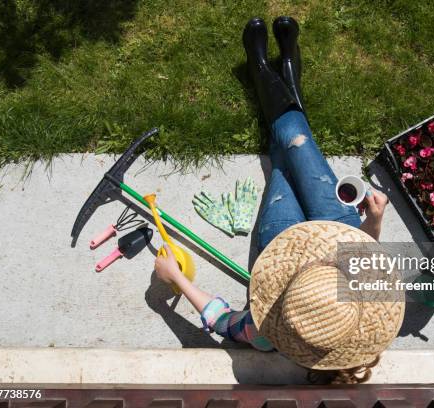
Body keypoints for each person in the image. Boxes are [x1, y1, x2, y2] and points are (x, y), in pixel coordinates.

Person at [154, 16, 404, 384]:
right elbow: (364, 259)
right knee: (295, 144)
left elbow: (220, 320)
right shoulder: (355, 314)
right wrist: (376, 219)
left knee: (288, 155)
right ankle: (276, 68)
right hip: (340, 234)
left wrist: (175, 276)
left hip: (281, 240)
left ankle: (270, 66)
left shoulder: (267, 332)